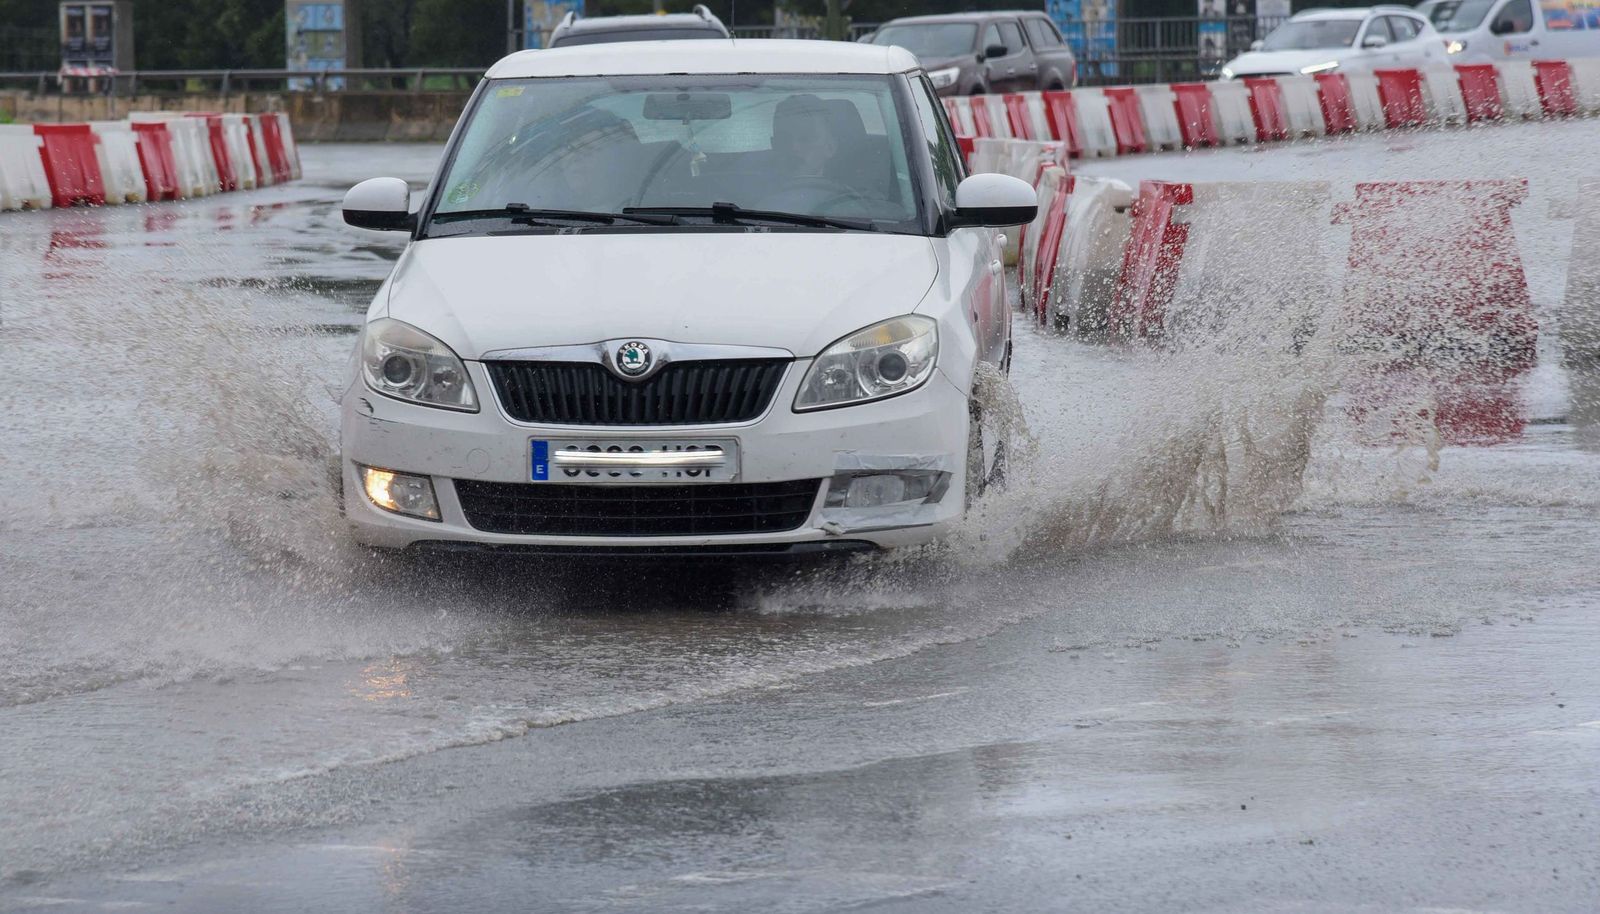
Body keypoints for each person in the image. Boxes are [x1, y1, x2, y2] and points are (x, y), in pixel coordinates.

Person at [770, 94, 839, 178]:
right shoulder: (752, 187)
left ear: (830, 147)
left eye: (806, 138)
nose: (794, 147)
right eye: (784, 139)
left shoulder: (850, 191)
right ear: (774, 145)